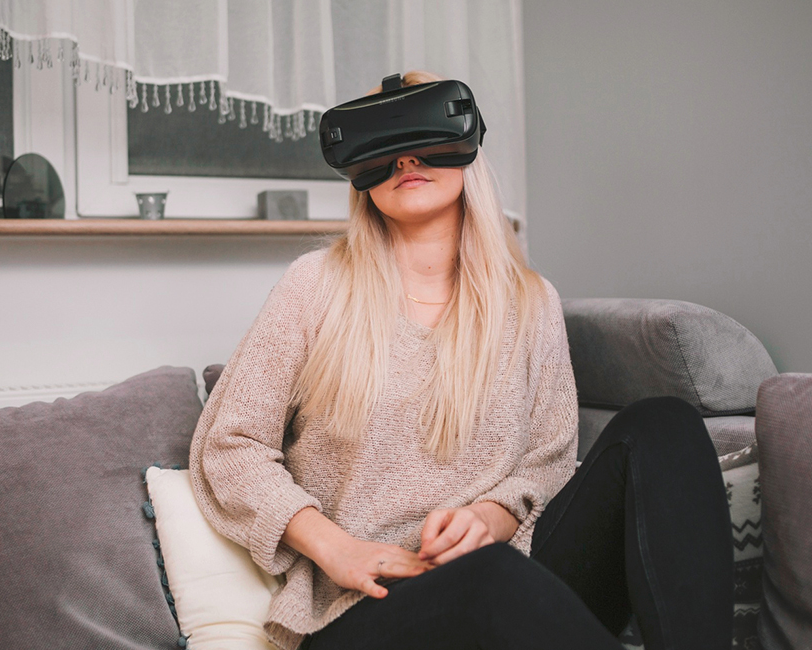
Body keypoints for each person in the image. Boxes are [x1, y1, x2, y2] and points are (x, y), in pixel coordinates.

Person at [188, 71, 733, 650]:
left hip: (514, 575)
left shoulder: (530, 301)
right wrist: (336, 548)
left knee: (662, 424)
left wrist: (494, 517)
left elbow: (548, 460)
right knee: (489, 578)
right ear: (359, 172)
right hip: (365, 606)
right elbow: (231, 446)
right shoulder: (315, 287)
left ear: (468, 147)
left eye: (424, 139)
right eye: (386, 149)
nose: (406, 161)